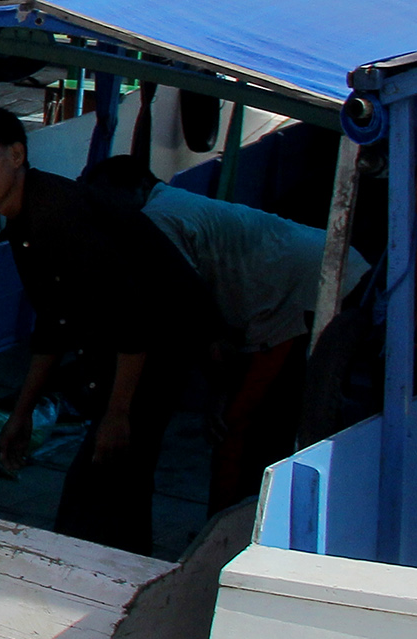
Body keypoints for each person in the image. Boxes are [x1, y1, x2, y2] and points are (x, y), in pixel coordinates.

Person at [0, 106, 215, 556]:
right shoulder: (26, 221)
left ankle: (114, 587)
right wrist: (21, 413)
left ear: (16, 154)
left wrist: (119, 411)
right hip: (124, 350)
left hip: (156, 348)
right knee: (110, 492)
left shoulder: (57, 215)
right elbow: (54, 323)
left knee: (100, 492)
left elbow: (132, 315)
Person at [81, 154, 368, 507]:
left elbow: (189, 311)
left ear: (137, 190)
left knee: (240, 427)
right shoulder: (175, 204)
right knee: (263, 419)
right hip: (323, 278)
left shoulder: (156, 220)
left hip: (306, 294)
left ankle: (230, 526)